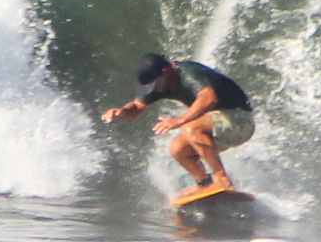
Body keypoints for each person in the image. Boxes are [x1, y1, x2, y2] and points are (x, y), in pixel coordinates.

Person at [101, 53, 254, 200]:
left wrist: (178, 120)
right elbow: (136, 107)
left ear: (166, 71)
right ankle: (204, 183)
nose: (154, 88)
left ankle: (222, 179)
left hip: (239, 120)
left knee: (191, 128)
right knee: (177, 148)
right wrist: (121, 112)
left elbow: (209, 99)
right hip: (220, 125)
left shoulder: (189, 73)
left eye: (155, 83)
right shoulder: (161, 84)